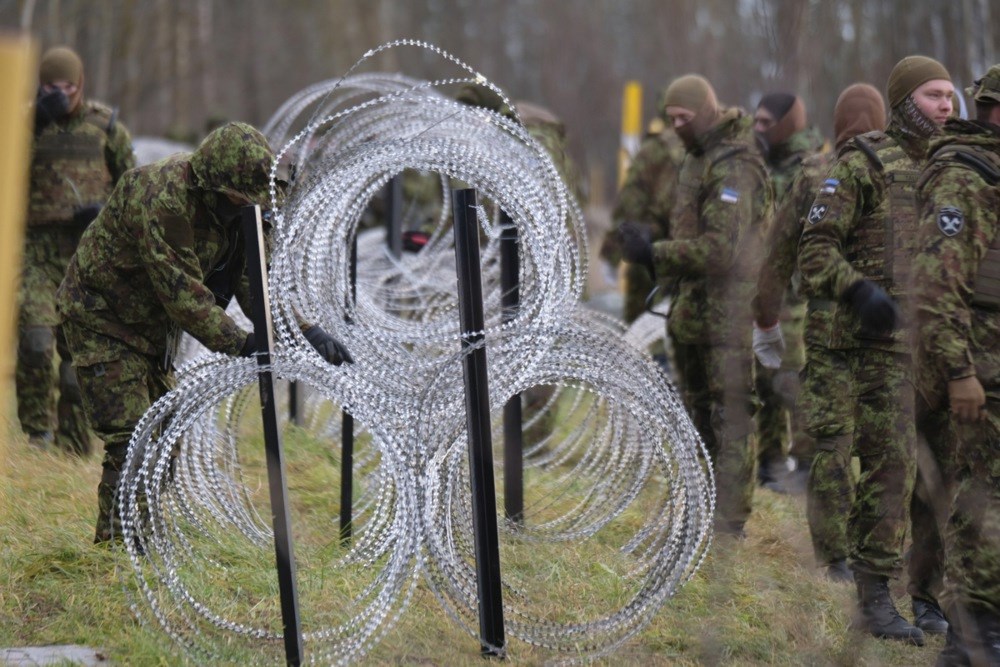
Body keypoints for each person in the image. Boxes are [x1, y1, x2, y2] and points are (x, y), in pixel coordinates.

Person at [56, 122, 353, 544]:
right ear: (214, 186)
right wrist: (245, 344)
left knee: (164, 440)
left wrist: (306, 330)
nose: (249, 208)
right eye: (240, 199)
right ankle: (118, 550)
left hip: (153, 329)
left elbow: (257, 288)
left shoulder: (244, 212)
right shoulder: (162, 197)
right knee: (132, 437)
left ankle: (144, 533)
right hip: (102, 317)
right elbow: (184, 296)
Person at [798, 55, 954, 644]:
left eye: (950, 96)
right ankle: (873, 599)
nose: (947, 106)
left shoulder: (952, 170)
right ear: (907, 99)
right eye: (935, 95)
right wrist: (857, 289)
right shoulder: (863, 165)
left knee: (938, 476)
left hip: (935, 348)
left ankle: (931, 596)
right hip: (869, 347)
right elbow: (815, 250)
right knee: (890, 467)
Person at [620, 74, 772, 538]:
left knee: (730, 417)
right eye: (671, 120)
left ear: (706, 112)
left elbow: (721, 250)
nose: (678, 127)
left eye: (684, 118)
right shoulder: (696, 158)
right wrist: (650, 240)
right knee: (697, 415)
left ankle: (729, 523)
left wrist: (656, 253)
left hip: (728, 312)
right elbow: (688, 231)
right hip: (691, 308)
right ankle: (701, 509)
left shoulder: (733, 166)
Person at [754, 83, 885, 581]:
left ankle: (837, 559)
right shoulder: (897, 172)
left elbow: (775, 257)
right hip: (886, 331)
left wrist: (765, 318)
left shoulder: (813, 173)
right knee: (883, 449)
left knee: (833, 444)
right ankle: (877, 557)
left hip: (827, 326)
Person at [913, 63, 1000, 665]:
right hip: (981, 371)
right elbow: (936, 287)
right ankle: (972, 631)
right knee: (981, 500)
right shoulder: (964, 175)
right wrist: (959, 372)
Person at [18, 45, 135, 454]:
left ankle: (73, 442)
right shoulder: (21, 124)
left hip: (86, 253)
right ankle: (38, 433)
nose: (61, 94)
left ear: (81, 85)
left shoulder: (106, 128)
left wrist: (103, 213)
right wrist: (31, 124)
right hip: (36, 252)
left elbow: (134, 190)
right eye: (52, 86)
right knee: (35, 340)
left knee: (77, 358)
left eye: (69, 86)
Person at [751, 92, 825, 491]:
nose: (758, 129)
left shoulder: (808, 168)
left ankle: (807, 462)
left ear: (786, 125)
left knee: (793, 377)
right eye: (756, 121)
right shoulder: (761, 165)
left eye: (766, 123)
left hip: (797, 292)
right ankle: (771, 460)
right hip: (764, 288)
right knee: (765, 377)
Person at [610, 88, 686, 323]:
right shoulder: (710, 147)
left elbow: (631, 201)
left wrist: (613, 250)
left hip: (650, 248)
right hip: (691, 254)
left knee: (640, 331)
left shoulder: (654, 148)